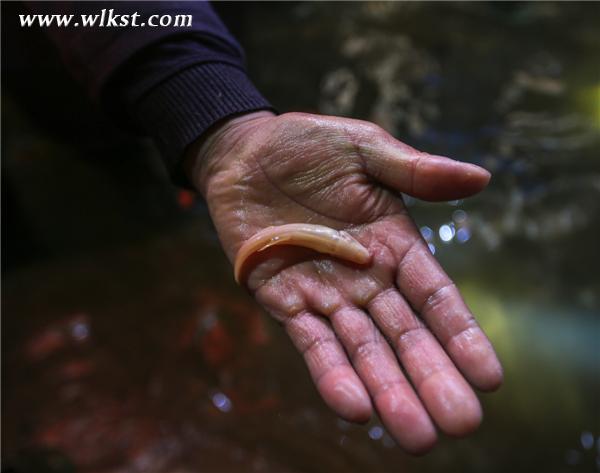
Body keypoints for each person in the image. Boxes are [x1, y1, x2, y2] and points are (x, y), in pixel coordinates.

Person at [25, 1, 503, 454]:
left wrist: (216, 123)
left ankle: (170, 170)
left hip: (188, 40)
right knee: (106, 158)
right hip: (58, 46)